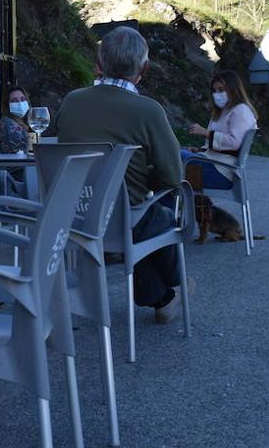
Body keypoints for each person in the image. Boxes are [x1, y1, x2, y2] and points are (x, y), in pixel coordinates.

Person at [47, 26, 190, 323]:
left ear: (98, 64)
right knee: (157, 219)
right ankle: (174, 287)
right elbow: (173, 177)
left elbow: (52, 144)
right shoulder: (148, 111)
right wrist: (141, 185)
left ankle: (163, 297)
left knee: (133, 224)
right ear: (145, 68)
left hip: (71, 215)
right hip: (122, 218)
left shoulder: (72, 101)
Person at [184, 70, 259, 241]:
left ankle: (166, 225)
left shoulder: (240, 111)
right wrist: (199, 150)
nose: (217, 94)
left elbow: (234, 143)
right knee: (176, 158)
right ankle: (170, 222)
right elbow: (219, 147)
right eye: (215, 90)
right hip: (216, 164)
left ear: (233, 89)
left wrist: (206, 133)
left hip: (223, 172)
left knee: (171, 163)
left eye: (221, 89)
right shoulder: (222, 112)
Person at [0, 85, 32, 155]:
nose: (20, 103)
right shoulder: (7, 124)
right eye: (14, 101)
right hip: (19, 165)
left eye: (23, 99)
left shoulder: (29, 123)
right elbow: (18, 153)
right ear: (7, 105)